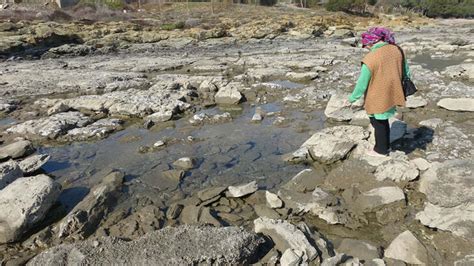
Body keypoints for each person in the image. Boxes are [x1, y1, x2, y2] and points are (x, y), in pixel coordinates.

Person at [348, 27, 411, 157]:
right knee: (384, 120)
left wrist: (352, 98)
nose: (366, 48)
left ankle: (381, 150)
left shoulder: (371, 58)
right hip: (393, 91)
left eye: (366, 45)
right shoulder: (397, 49)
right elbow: (406, 71)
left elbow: (362, 83)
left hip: (378, 95)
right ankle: (385, 145)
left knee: (379, 122)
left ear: (372, 42)